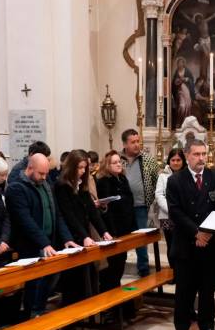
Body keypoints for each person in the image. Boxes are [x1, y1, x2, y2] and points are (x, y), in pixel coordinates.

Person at [166, 139, 215, 330]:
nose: (201, 158)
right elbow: (175, 211)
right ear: (186, 155)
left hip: (210, 243)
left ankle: (207, 325)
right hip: (186, 242)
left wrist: (208, 232)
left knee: (207, 288)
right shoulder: (175, 180)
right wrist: (196, 233)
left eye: (203, 154)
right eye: (196, 154)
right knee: (184, 288)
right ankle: (181, 327)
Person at [6, 153, 79, 317]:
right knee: (34, 286)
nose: (44, 177)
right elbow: (26, 221)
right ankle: (30, 318)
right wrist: (44, 243)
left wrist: (67, 238)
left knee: (48, 283)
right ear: (30, 168)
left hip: (49, 243)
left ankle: (38, 313)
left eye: (46, 173)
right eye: (41, 173)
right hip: (30, 246)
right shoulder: (16, 187)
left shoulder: (45, 184)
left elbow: (56, 214)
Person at [54, 151, 109, 305]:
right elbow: (68, 215)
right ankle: (73, 318)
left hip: (84, 234)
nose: (83, 171)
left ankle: (88, 311)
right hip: (72, 237)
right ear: (71, 166)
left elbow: (92, 211)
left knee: (89, 276)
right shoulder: (62, 186)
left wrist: (104, 231)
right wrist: (84, 236)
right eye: (80, 168)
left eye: (85, 168)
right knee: (74, 281)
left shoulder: (82, 184)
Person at [95, 150, 136, 306]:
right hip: (113, 229)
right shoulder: (104, 181)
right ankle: (109, 301)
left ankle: (115, 297)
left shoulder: (122, 179)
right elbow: (107, 210)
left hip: (124, 228)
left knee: (120, 263)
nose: (119, 164)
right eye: (115, 162)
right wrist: (111, 232)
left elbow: (129, 201)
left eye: (120, 162)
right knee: (112, 267)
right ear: (107, 165)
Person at [120, 129, 161, 277]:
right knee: (122, 238)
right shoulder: (117, 159)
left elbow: (158, 181)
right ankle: (119, 265)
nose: (137, 145)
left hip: (140, 206)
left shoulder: (148, 160)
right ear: (125, 144)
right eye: (133, 142)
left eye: (138, 141)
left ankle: (143, 269)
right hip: (121, 209)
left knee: (141, 239)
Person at [155, 149, 186, 267]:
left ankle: (183, 271)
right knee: (171, 245)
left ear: (183, 161)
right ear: (169, 161)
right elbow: (159, 195)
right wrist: (171, 209)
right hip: (167, 216)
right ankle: (173, 272)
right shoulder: (163, 176)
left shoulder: (187, 175)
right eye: (173, 160)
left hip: (184, 216)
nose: (176, 163)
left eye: (178, 160)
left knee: (183, 245)